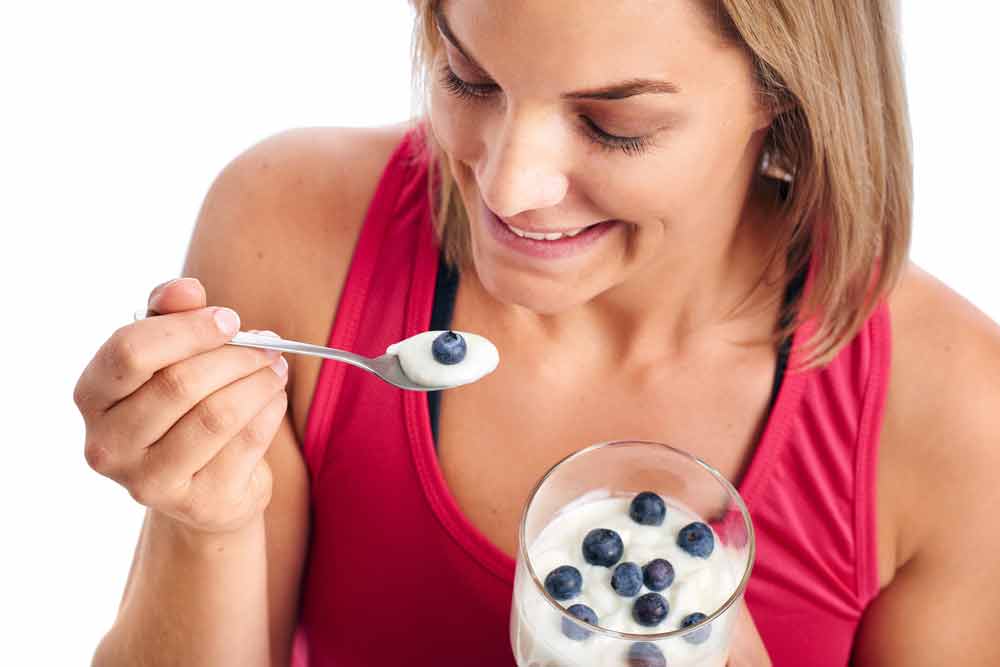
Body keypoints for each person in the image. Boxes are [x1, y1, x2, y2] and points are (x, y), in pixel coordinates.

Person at [74, 1, 1000, 665]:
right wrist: (205, 526)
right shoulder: (287, 232)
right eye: (467, 77)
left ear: (783, 93)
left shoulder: (954, 408)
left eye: (615, 126)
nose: (509, 188)